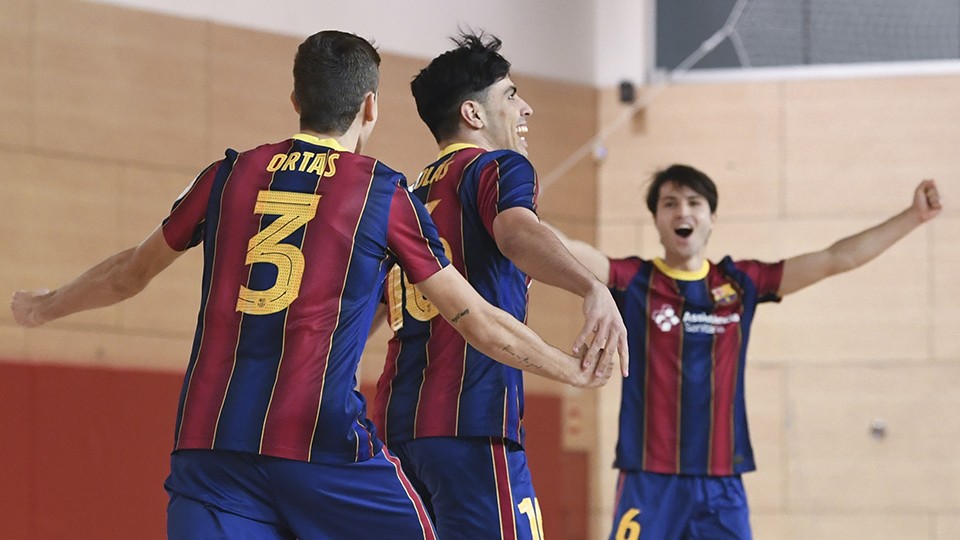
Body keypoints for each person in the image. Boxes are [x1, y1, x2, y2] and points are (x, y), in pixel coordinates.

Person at [9, 30, 612, 540]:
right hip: (325, 448)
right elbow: (473, 316)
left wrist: (43, 306)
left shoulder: (226, 175)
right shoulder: (380, 190)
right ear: (371, 108)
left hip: (209, 448)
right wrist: (570, 368)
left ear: (295, 98)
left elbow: (127, 274)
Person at [550, 164, 942, 539]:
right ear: (656, 220)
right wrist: (505, 198)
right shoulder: (634, 278)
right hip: (649, 477)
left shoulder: (740, 284)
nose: (682, 211)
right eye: (669, 203)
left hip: (723, 482)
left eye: (693, 202)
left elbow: (836, 259)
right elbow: (565, 249)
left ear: (712, 217)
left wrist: (913, 216)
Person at [371, 32, 629, 539]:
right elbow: (516, 232)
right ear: (473, 113)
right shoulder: (497, 166)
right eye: (511, 95)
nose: (525, 107)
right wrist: (590, 287)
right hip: (472, 424)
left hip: (396, 427)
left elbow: (373, 304)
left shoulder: (405, 193)